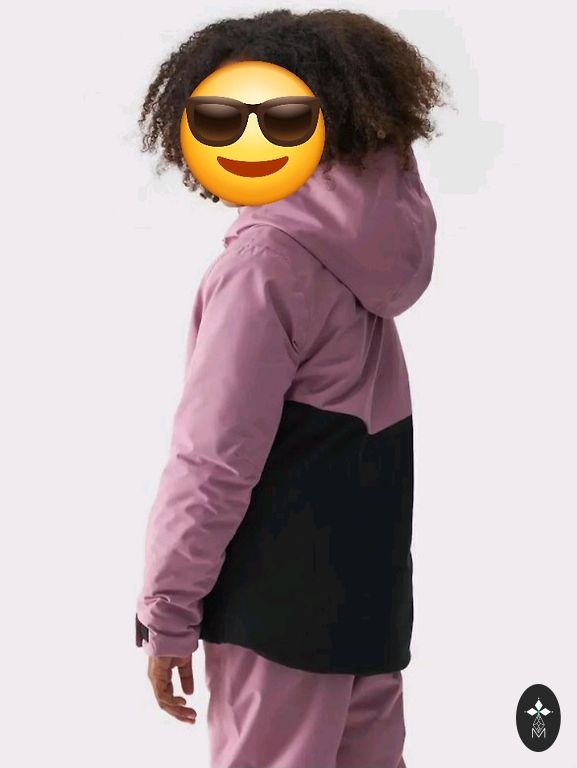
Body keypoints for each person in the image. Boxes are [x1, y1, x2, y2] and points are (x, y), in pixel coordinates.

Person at [134, 8, 450, 768]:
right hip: (369, 612)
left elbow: (213, 461)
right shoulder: (368, 260)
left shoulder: (266, 268)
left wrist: (167, 613)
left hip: (275, 620)